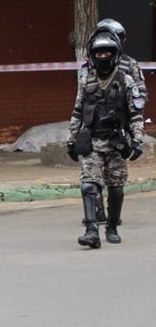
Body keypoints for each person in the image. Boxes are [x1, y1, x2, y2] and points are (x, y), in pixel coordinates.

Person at [66, 31, 145, 249]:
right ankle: (92, 230)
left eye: (107, 53)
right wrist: (71, 139)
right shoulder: (86, 80)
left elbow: (136, 113)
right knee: (88, 186)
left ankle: (112, 227)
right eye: (98, 53)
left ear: (115, 54)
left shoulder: (126, 81)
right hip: (91, 142)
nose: (102, 57)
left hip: (116, 142)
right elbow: (77, 111)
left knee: (116, 188)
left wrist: (138, 140)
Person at [81, 19, 149, 225]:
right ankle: (97, 211)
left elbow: (140, 95)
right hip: (94, 125)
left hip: (120, 123)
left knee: (114, 174)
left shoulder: (129, 64)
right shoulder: (90, 64)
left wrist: (134, 127)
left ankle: (111, 216)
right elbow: (82, 96)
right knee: (92, 172)